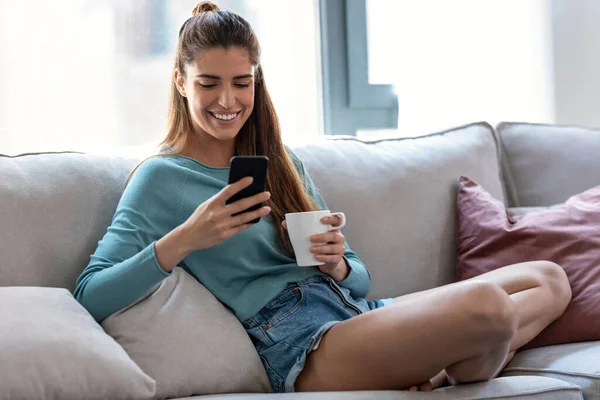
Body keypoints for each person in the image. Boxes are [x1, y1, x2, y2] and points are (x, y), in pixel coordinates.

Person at [74, 1, 572, 394]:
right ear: (181, 82)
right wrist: (185, 238)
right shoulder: (161, 179)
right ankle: (455, 363)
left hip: (354, 313)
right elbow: (89, 295)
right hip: (301, 344)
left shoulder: (281, 161)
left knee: (549, 279)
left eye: (241, 83)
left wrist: (337, 264)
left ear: (256, 82)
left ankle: (447, 365)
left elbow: (361, 279)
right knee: (489, 307)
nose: (227, 101)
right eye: (209, 83)